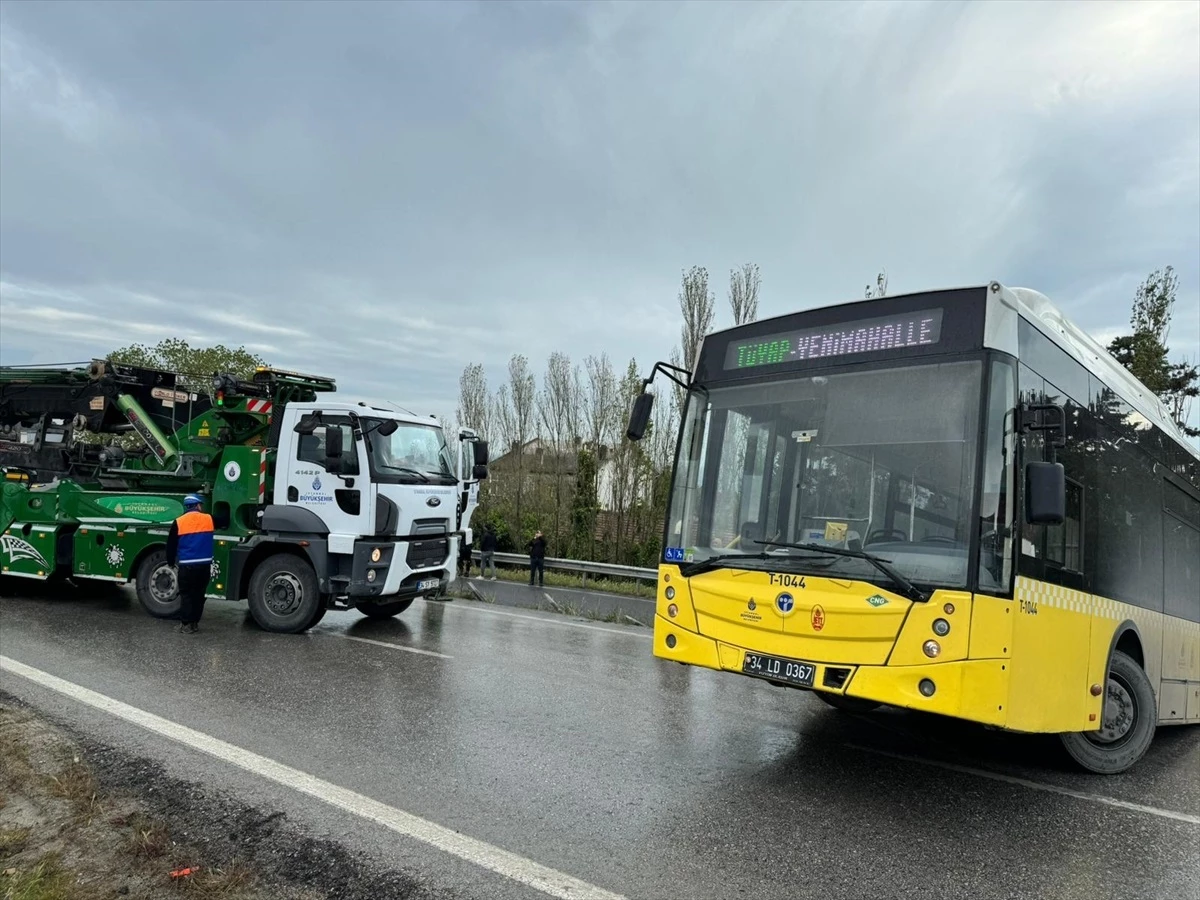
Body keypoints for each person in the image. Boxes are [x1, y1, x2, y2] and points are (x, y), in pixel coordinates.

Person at [166, 493, 214, 633]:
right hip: (204, 566)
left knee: (186, 594)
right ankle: (194, 623)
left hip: (187, 565)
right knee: (199, 594)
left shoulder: (179, 522)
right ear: (198, 505)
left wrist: (170, 561)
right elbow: (224, 521)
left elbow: (171, 544)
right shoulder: (208, 519)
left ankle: (186, 625)